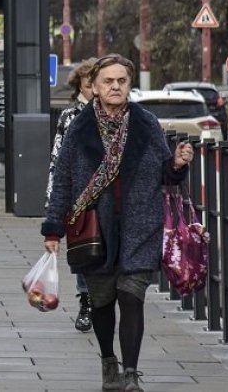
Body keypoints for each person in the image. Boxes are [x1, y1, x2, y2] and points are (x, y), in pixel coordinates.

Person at [41, 54, 194, 392]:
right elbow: (62, 179)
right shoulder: (79, 128)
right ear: (94, 87)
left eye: (121, 81)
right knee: (102, 301)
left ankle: (130, 373)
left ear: (129, 85)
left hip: (141, 226)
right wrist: (53, 227)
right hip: (94, 229)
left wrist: (179, 164)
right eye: (108, 81)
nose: (115, 86)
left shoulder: (146, 123)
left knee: (131, 296)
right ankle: (108, 360)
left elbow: (165, 174)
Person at [44, 58, 97, 333]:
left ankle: (104, 302)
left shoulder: (123, 113)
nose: (96, 91)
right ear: (80, 85)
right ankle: (86, 301)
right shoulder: (70, 116)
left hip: (113, 197)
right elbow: (58, 161)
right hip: (80, 197)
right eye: (90, 85)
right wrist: (53, 207)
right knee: (84, 253)